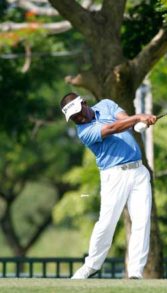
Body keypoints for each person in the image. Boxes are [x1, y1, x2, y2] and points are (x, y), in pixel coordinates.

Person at [60, 92, 157, 279]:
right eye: (73, 118)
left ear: (85, 104)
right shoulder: (84, 132)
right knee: (106, 223)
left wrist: (142, 120)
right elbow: (113, 128)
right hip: (114, 175)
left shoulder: (106, 105)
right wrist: (140, 117)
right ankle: (91, 266)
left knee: (142, 221)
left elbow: (125, 120)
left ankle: (136, 272)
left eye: (79, 113)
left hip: (139, 171)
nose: (78, 118)